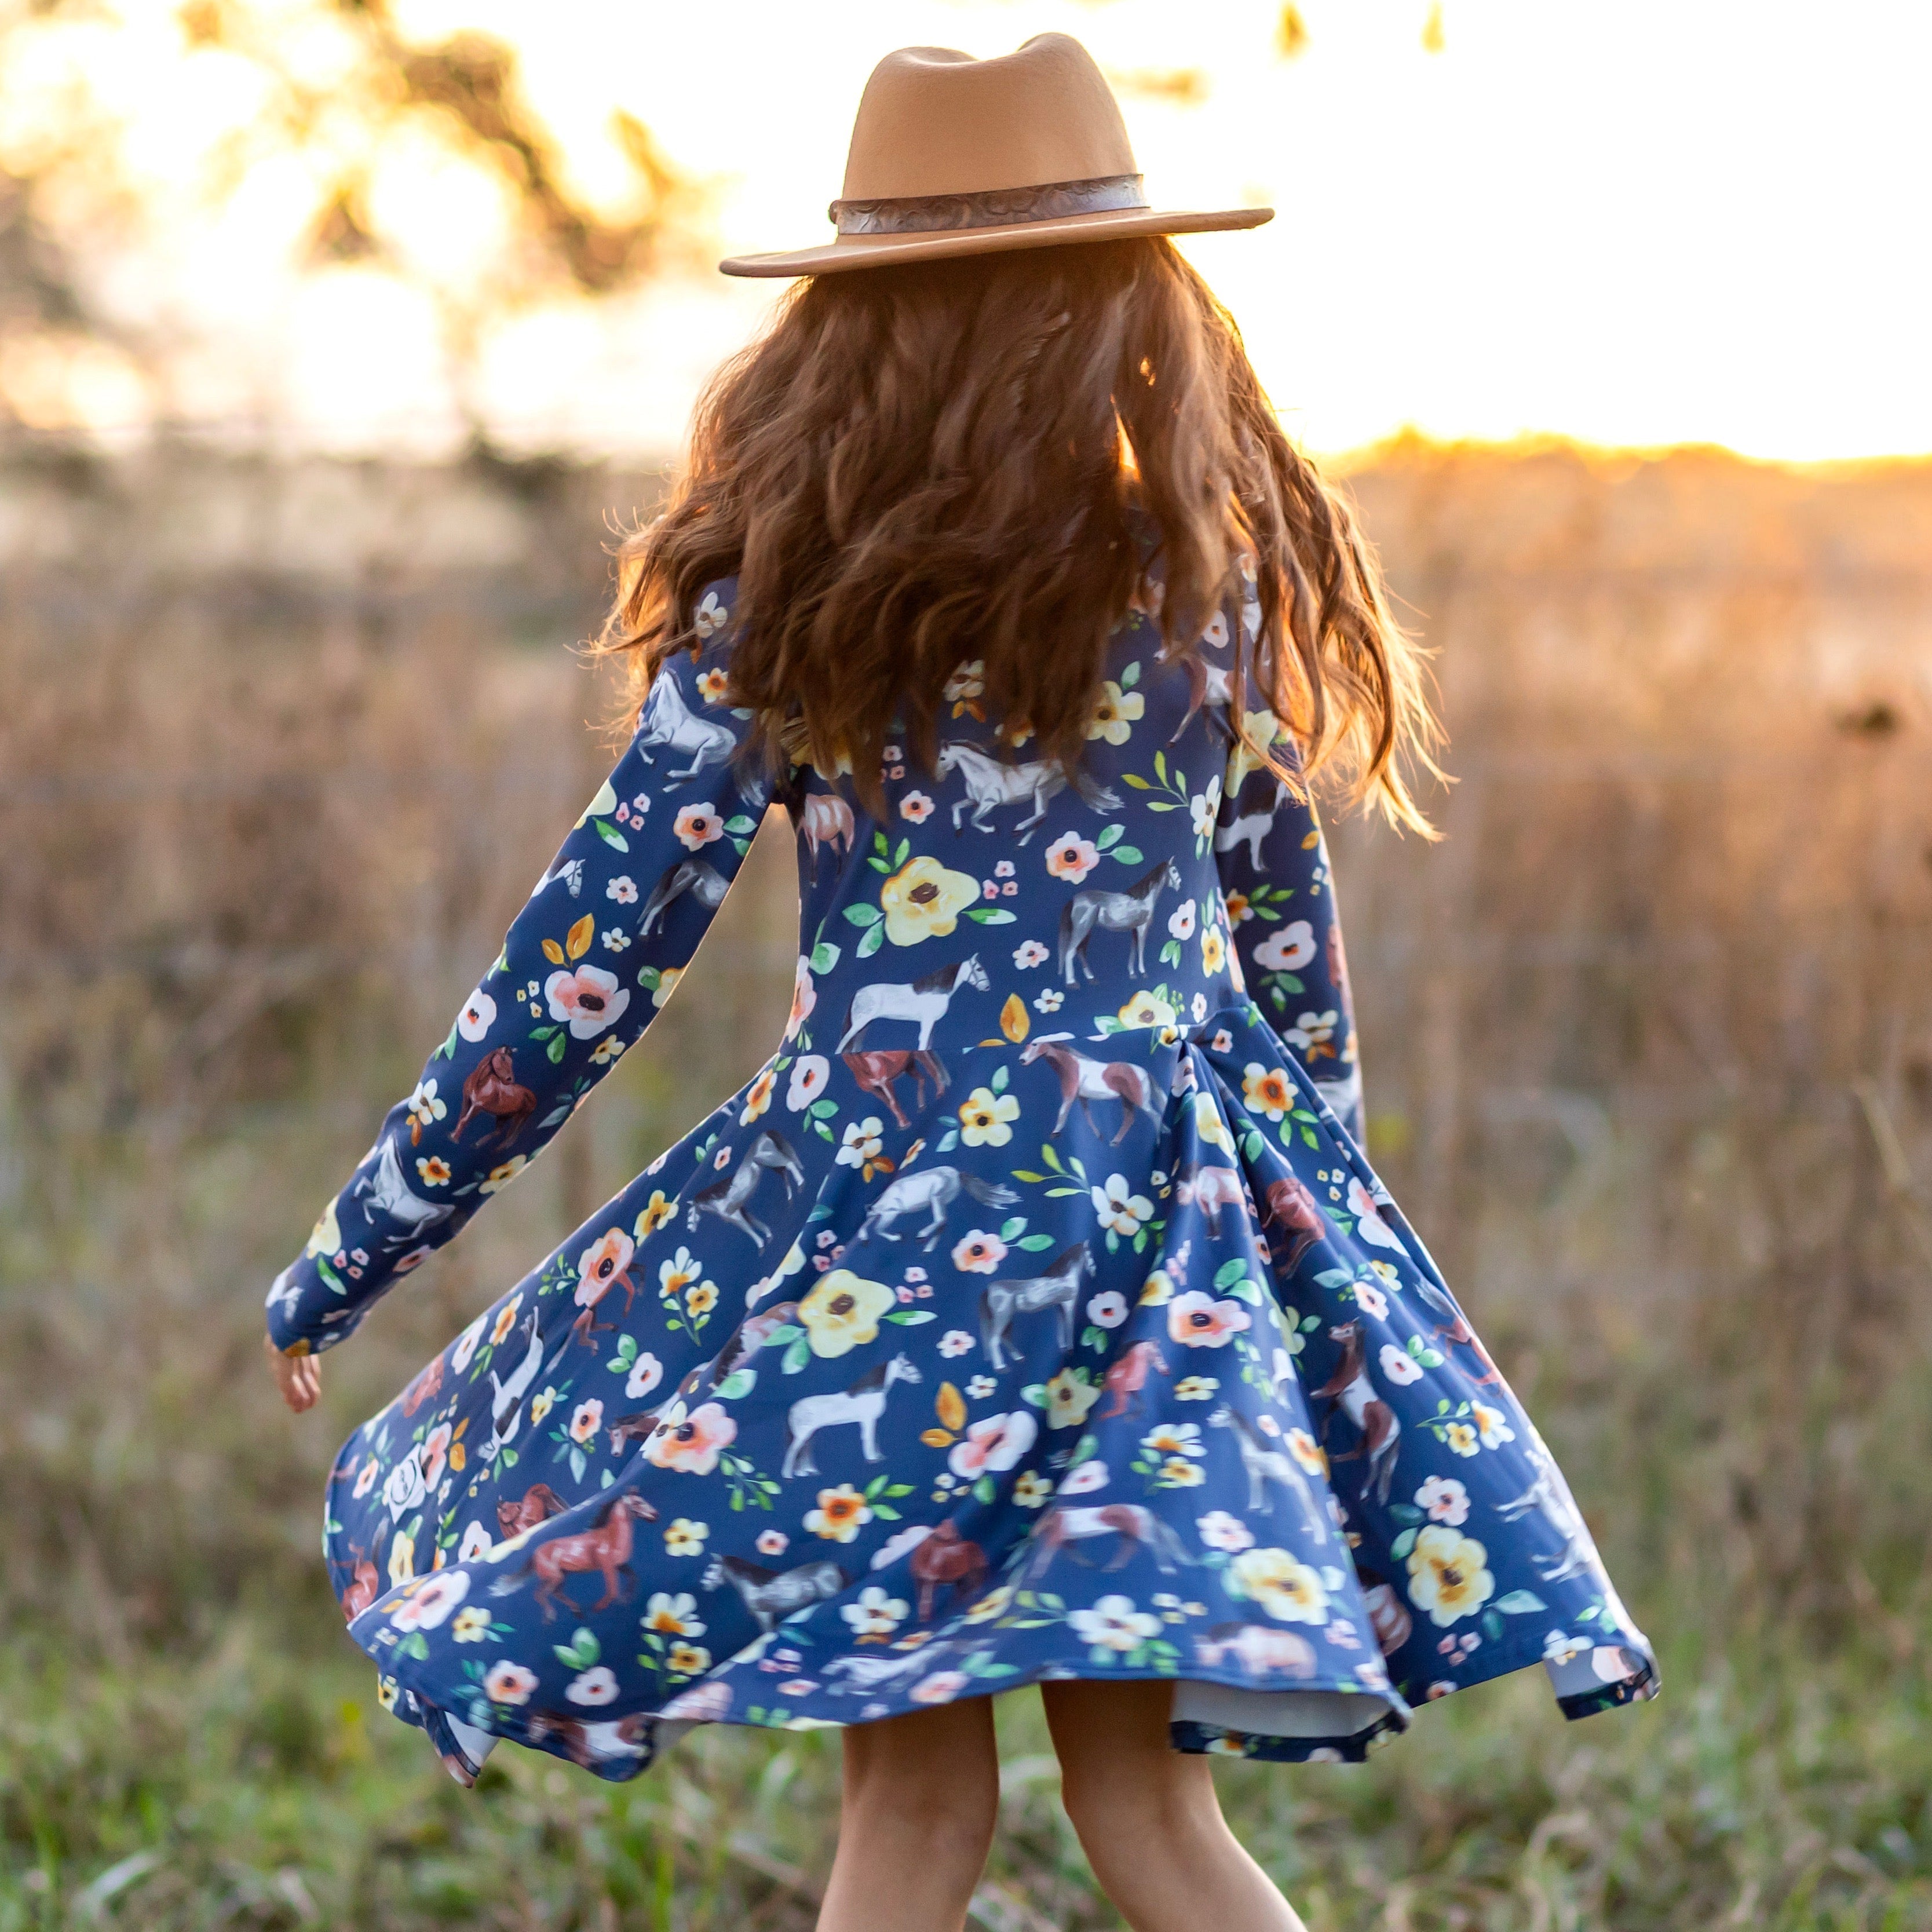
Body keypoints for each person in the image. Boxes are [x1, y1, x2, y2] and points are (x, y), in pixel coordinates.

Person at [265, 35, 1656, 1932]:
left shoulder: (791, 609)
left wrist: (363, 1241)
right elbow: (1290, 955)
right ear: (1134, 302)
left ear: (847, 330)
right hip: (1154, 1256)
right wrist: (1307, 1259)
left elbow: (587, 961)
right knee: (1153, 1816)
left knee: (911, 1816)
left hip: (887, 1258)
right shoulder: (1200, 589)